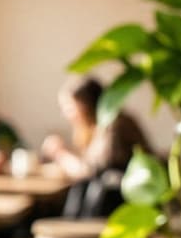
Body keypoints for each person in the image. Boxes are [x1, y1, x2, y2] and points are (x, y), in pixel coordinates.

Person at [40, 76, 150, 218]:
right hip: (113, 201)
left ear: (85, 104)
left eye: (69, 107)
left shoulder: (115, 124)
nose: (65, 114)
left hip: (125, 203)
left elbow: (92, 170)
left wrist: (60, 153)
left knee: (80, 189)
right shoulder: (99, 127)